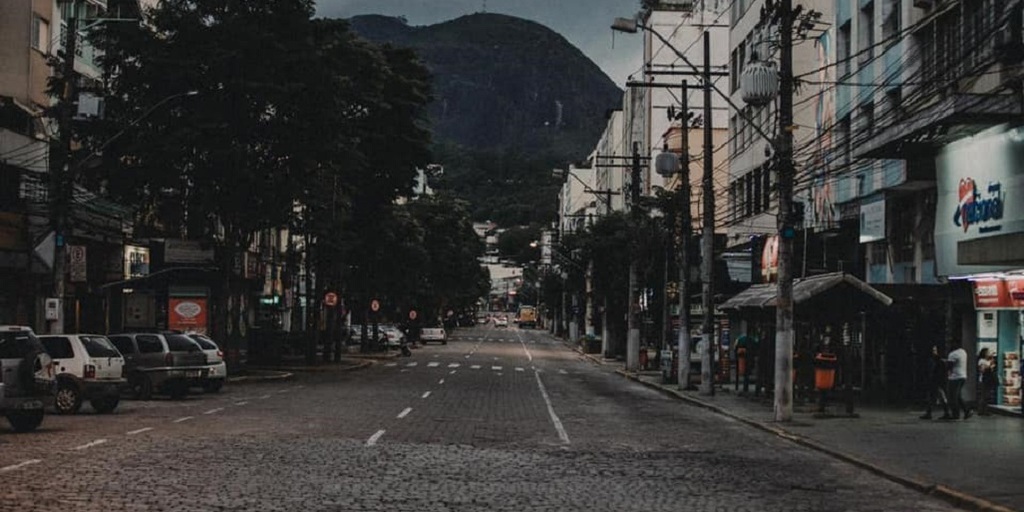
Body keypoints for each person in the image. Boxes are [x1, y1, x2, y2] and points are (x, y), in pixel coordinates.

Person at [921, 345, 950, 420]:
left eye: (935, 350)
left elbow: (940, 372)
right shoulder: (932, 360)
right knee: (932, 397)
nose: (934, 352)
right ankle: (929, 412)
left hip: (938, 381)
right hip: (934, 381)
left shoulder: (939, 360)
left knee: (941, 397)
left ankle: (946, 412)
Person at [945, 340, 971, 420]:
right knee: (958, 395)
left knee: (952, 397)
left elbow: (949, 366)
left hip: (954, 377)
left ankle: (955, 414)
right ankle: (967, 410)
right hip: (963, 376)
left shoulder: (953, 354)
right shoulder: (963, 352)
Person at [977, 348, 998, 416]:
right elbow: (982, 370)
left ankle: (985, 410)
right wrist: (989, 366)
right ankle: (981, 411)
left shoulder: (988, 360)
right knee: (984, 395)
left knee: (987, 395)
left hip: (988, 379)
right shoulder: (982, 361)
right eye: (988, 352)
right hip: (984, 379)